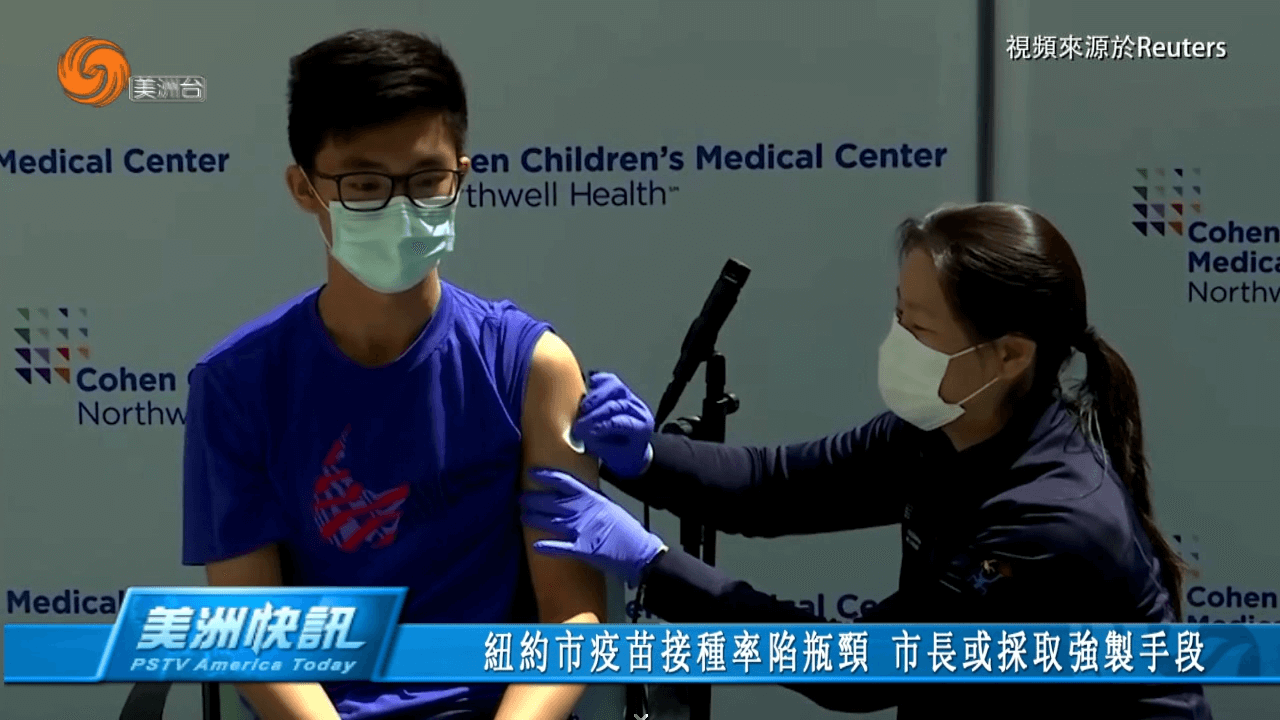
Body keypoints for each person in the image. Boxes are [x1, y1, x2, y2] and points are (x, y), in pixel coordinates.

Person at [519, 203, 1213, 719]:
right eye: (898, 315)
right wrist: (642, 457)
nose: (897, 342)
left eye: (920, 328)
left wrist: (652, 565)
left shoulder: (1048, 523)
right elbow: (775, 487)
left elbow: (859, 671)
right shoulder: (940, 429)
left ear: (1010, 355)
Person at [182, 29, 606, 720]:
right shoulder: (237, 385)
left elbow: (573, 619)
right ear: (305, 188)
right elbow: (253, 639)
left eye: (426, 180)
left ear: (461, 177)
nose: (401, 210)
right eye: (365, 184)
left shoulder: (532, 367)